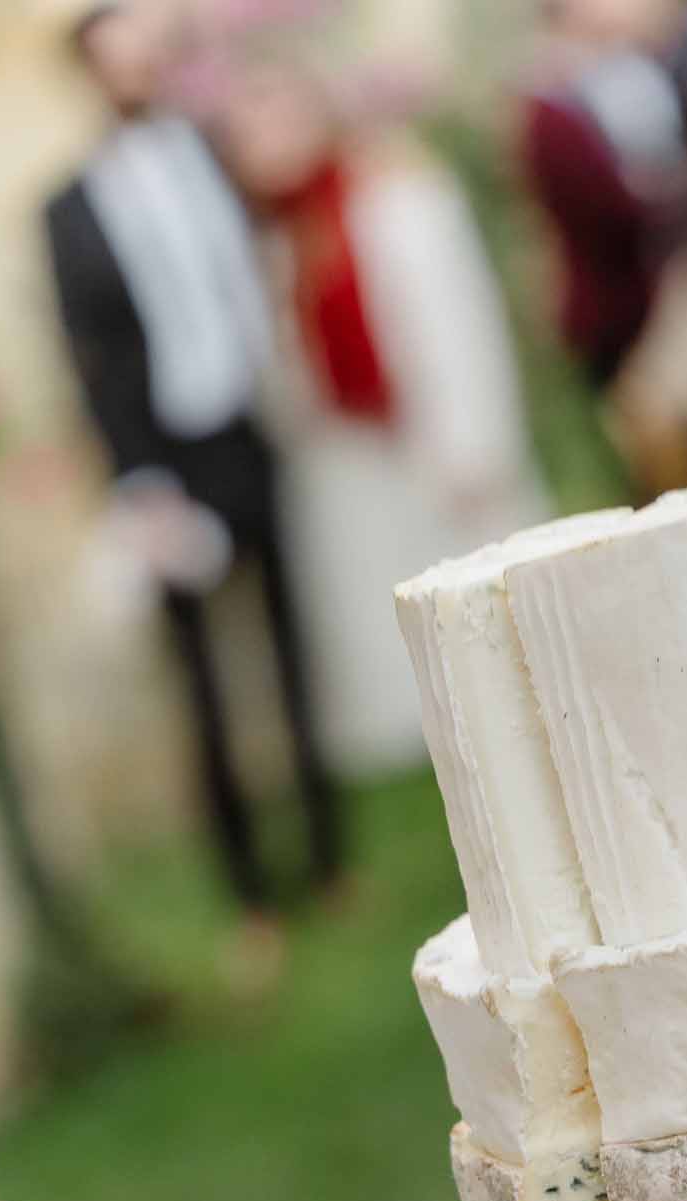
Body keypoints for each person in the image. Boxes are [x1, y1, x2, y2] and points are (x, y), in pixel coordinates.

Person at [45, 1, 344, 975]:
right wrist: (137, 482)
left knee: (291, 638)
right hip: (165, 458)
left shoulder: (214, 155)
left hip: (245, 428)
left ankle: (329, 857)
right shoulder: (70, 208)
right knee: (202, 680)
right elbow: (89, 353)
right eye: (116, 61)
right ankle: (251, 892)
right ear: (92, 76)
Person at [214, 61, 543, 776]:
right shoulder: (267, 239)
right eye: (248, 134)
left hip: (431, 437)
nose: (268, 144)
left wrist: (473, 438)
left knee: (491, 623)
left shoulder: (395, 198)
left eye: (281, 120)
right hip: (349, 457)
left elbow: (458, 322)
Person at [521, 0, 687, 388]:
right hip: (600, 299)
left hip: (634, 286)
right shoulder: (553, 98)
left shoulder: (628, 72)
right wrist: (659, 196)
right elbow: (605, 205)